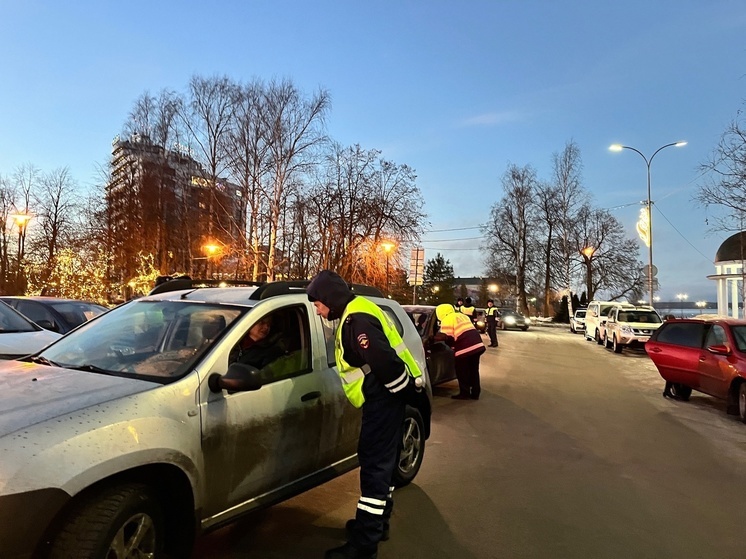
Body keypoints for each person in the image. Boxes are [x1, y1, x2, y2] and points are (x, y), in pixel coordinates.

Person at [307, 270, 426, 559]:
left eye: (317, 302)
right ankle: (376, 524)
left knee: (374, 467)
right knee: (382, 465)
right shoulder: (358, 311)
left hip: (384, 400)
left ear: (330, 299)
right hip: (386, 399)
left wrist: (399, 395)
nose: (316, 308)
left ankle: (364, 544)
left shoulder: (356, 320)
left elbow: (387, 364)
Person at [434, 303, 485, 400]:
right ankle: (475, 393)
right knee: (474, 370)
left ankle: (464, 393)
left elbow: (447, 337)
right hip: (478, 345)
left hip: (465, 348)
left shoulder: (447, 320)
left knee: (462, 371)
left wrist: (436, 338)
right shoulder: (462, 316)